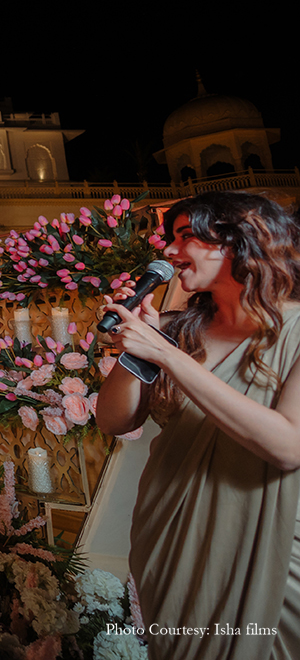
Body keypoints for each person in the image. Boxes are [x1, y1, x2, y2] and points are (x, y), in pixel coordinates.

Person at [95, 191, 300, 660]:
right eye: (170, 238)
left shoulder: (297, 330)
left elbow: (289, 445)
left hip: (269, 536)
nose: (168, 251)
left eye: (186, 235)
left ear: (242, 239)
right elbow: (113, 420)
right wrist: (139, 346)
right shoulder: (175, 328)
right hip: (172, 532)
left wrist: (165, 353)